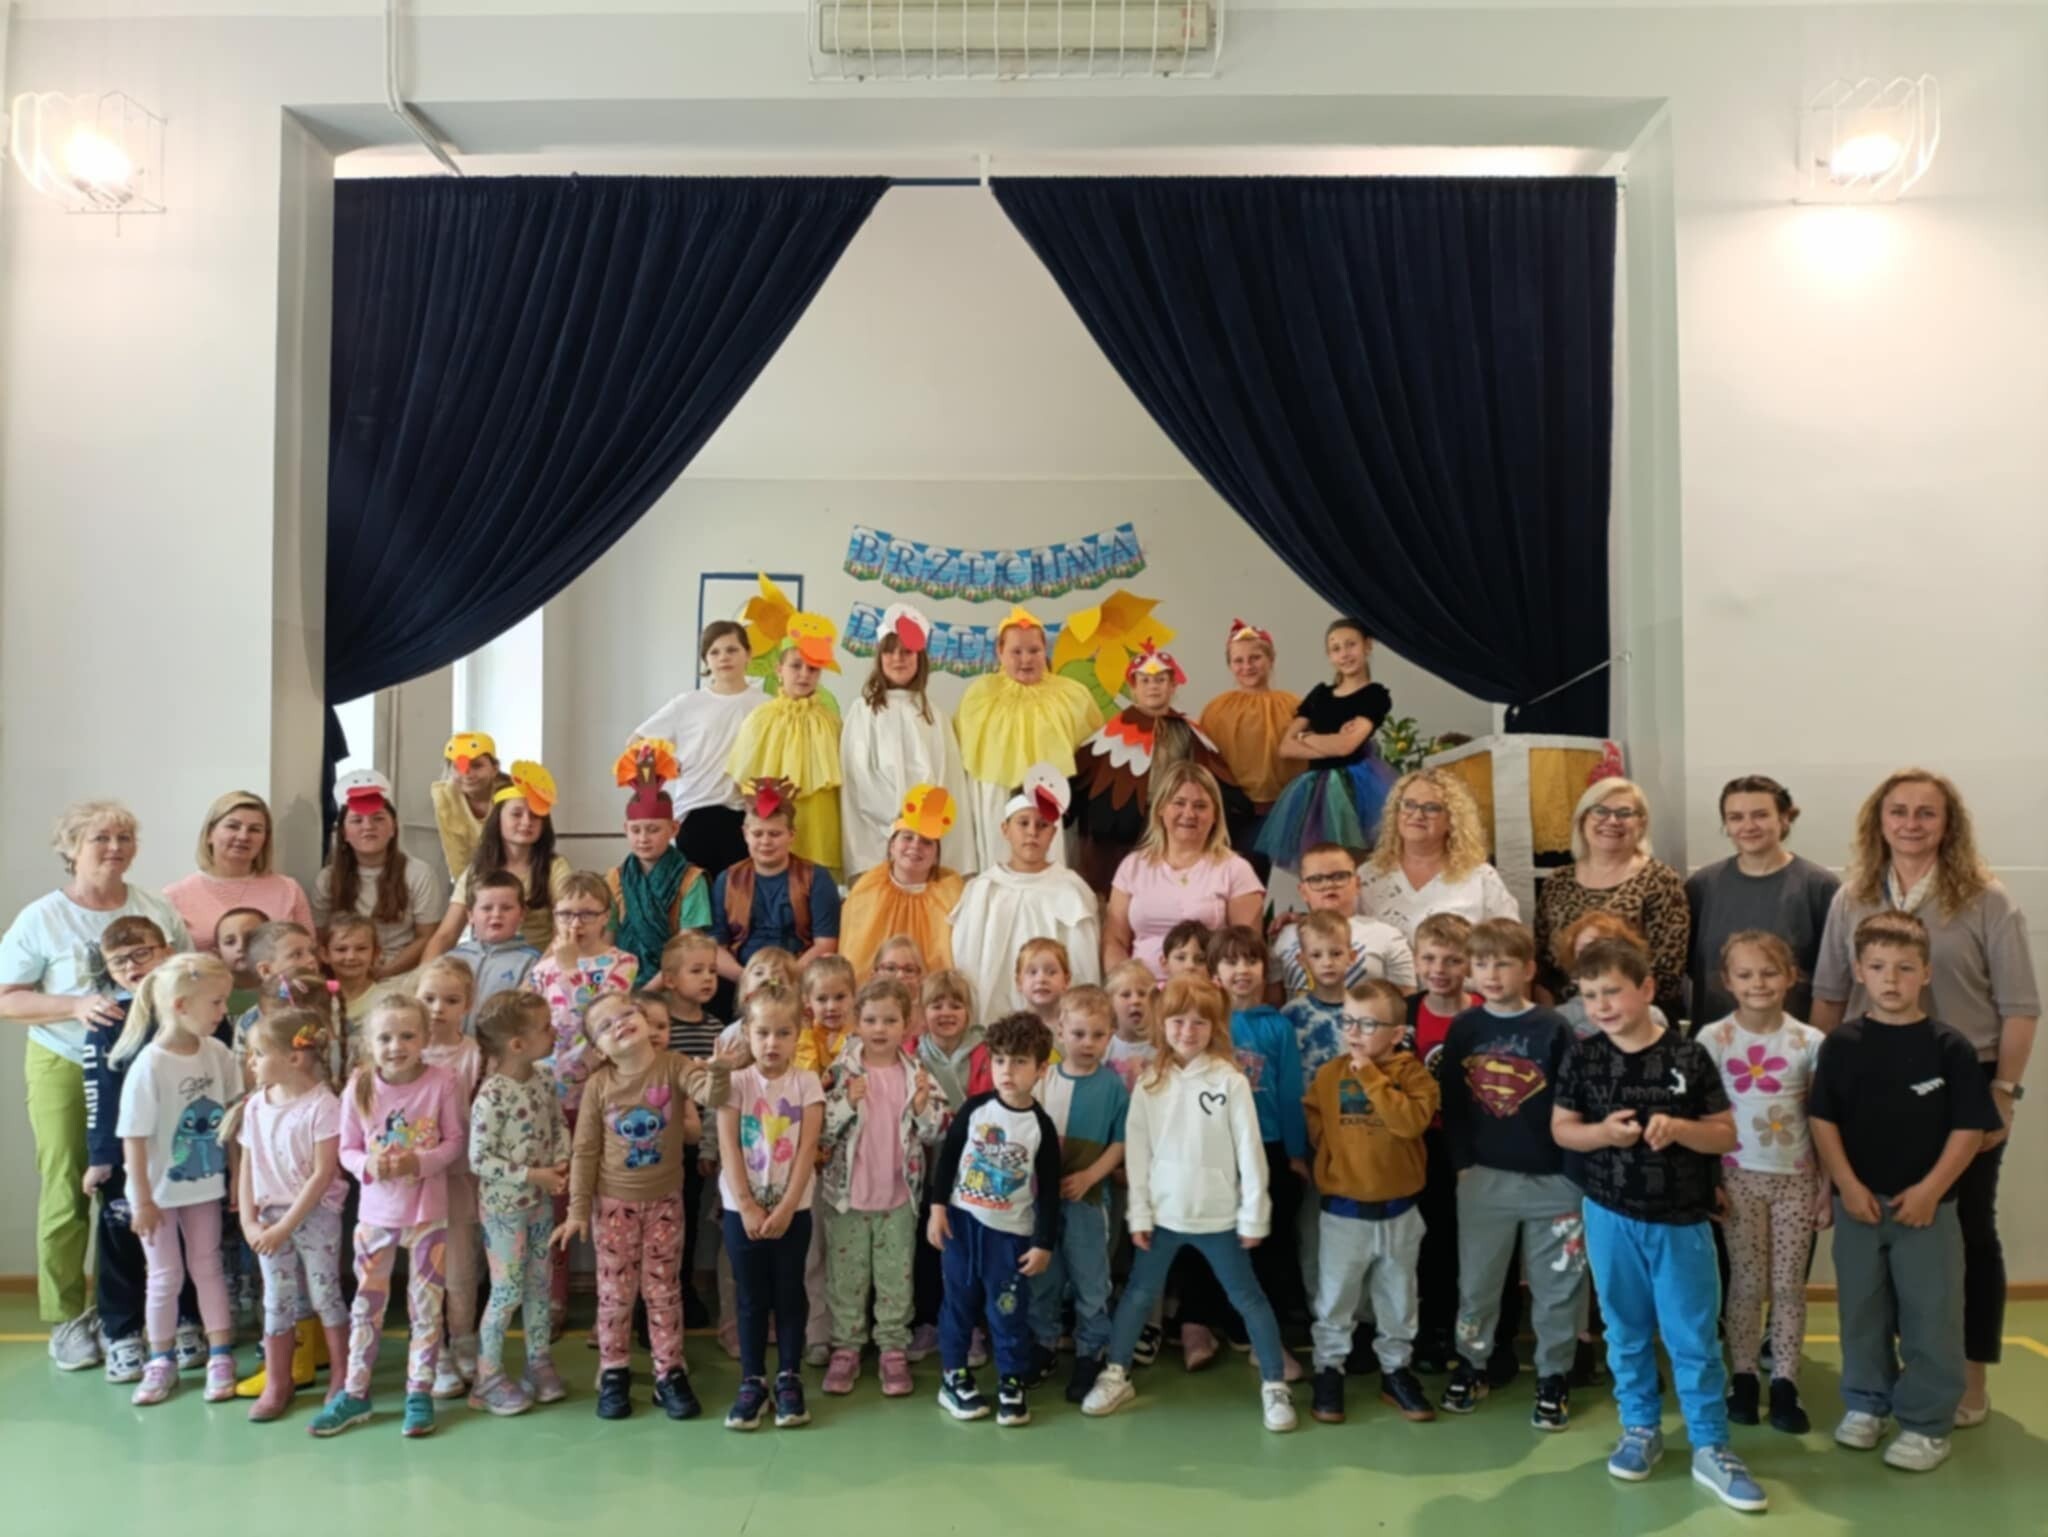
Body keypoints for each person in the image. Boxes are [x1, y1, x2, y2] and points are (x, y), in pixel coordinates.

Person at [1809, 767, 2037, 1428]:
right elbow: (1828, 997)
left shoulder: (1986, 898)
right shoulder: (1852, 896)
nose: (1911, 823)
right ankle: (1876, 1387)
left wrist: (2004, 1092)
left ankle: (1966, 1375)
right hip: (1870, 1083)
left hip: (1964, 1085)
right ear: (1878, 822)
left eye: (1926, 812)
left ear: (1948, 823)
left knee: (1967, 1228)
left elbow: (2020, 1006)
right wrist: (1816, 1089)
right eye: (1899, 811)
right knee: (1875, 1232)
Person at [1552, 937, 1764, 1512]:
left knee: (1692, 1335)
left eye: (1612, 991)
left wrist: (1681, 1129)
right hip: (1609, 1217)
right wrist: (1603, 1134)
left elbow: (1725, 1135)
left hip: (1680, 1222)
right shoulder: (1583, 1056)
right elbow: (1563, 1129)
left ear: (1646, 989)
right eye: (1590, 995)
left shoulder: (1689, 1057)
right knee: (1624, 1330)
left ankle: (1710, 1445)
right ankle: (1640, 1427)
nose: (1601, 1005)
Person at [0, 799, 192, 1370]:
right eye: (100, 838)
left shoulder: (154, 908)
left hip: (146, 1063)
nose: (114, 848)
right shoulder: (43, 917)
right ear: (71, 848)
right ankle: (66, 1318)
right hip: (64, 1061)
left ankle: (133, 1312)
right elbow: (7, 998)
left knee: (147, 1185)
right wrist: (75, 1005)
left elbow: (183, 976)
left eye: (123, 838)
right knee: (68, 1184)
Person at [1810, 911, 2004, 1474]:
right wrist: (1847, 1185)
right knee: (1861, 1312)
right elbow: (1823, 1120)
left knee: (1931, 1316)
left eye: (1904, 968)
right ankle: (1866, 1403)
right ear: (1858, 972)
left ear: (1926, 973)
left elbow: (1970, 1130)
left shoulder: (1950, 1048)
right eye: (1877, 967)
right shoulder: (1841, 1045)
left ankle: (1925, 1422)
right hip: (1859, 1208)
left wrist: (1930, 1191)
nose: (1890, 979)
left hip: (1928, 1213)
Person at [1081, 979, 1296, 1433]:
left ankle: (1275, 1384)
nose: (1188, 1030)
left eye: (1200, 1021)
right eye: (1178, 1020)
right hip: (1163, 1217)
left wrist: (1253, 1213)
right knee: (1138, 1296)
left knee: (1249, 1298)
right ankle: (1116, 1373)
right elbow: (1138, 1156)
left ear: (1215, 1027)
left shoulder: (1231, 1081)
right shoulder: (1149, 1083)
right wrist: (1139, 1213)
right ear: (1163, 1024)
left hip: (1220, 1218)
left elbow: (1250, 1152)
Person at [555, 994, 732, 1423]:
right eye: (606, 1025)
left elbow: (713, 1094)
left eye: (626, 1013)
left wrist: (720, 1068)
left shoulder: (673, 1066)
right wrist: (577, 1210)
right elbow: (584, 1151)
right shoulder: (599, 1085)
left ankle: (668, 1372)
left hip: (665, 1203)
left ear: (644, 1019)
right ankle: (613, 1370)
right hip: (614, 1207)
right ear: (599, 1049)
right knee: (616, 1294)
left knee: (663, 1290)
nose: (619, 1023)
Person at [1436, 918, 1585, 1426]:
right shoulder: (1465, 1028)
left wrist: (1572, 1174)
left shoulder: (1552, 1028)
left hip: (1553, 1182)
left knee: (1558, 1286)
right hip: (1484, 1180)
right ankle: (1472, 1363)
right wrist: (1462, 1164)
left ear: (1528, 969)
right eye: (1481, 964)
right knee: (1477, 1283)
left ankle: (1553, 1375)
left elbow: (1573, 1101)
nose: (1492, 974)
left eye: (1503, 964)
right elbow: (1453, 1104)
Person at [314, 993, 468, 1439]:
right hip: (376, 1216)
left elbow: (455, 1141)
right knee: (367, 1305)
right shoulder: (359, 1085)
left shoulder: (443, 1082)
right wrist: (368, 1165)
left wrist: (419, 1162)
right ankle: (355, 1392)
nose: (396, 1046)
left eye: (407, 1036)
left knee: (426, 1307)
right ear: (370, 1041)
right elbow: (347, 1149)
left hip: (427, 1214)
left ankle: (419, 1390)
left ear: (425, 1038)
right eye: (384, 1037)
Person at [1696, 930, 1827, 1435]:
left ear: (1791, 977)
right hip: (1738, 1178)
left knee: (1789, 1286)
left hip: (1796, 1180)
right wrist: (1709, 1180)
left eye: (1770, 973)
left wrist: (1826, 1186)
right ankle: (1745, 1377)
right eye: (1746, 974)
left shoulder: (1809, 1042)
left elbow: (1821, 1118)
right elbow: (1701, 1115)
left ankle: (1786, 1382)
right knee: (1747, 1283)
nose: (1759, 984)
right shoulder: (1713, 1039)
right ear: (1728, 981)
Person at [1304, 977, 1440, 1426]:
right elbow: (1314, 1116)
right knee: (1335, 1298)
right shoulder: (1329, 1075)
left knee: (1399, 1298)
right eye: (1348, 1021)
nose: (1354, 1032)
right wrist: (1331, 1156)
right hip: (1344, 1211)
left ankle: (1395, 1371)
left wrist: (1370, 1077)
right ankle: (1329, 1368)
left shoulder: (1414, 1076)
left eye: (1367, 1024)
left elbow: (1408, 1124)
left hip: (1400, 1211)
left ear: (1397, 1034)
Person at [110, 952, 242, 1406]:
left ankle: (220, 1355)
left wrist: (236, 1178)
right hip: (158, 1195)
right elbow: (133, 1139)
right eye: (216, 1002)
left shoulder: (219, 1054)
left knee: (208, 1267)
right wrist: (142, 1201)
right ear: (181, 1005)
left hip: (204, 1187)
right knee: (165, 1276)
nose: (223, 1011)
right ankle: (160, 1360)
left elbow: (232, 1123)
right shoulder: (150, 1065)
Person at [81, 917, 209, 1388]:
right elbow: (99, 1094)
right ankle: (122, 1330)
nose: (132, 966)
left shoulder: (198, 1015)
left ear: (166, 952)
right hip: (128, 1157)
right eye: (119, 961)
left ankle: (187, 1319)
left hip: (186, 1156)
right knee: (122, 1238)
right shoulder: (109, 1024)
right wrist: (101, 1156)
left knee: (190, 1241)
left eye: (142, 953)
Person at [928, 1011, 1063, 1427]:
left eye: (1020, 1062)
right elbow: (948, 1159)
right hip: (962, 1226)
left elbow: (1050, 1191)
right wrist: (937, 1208)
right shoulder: (976, 1109)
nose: (1007, 1070)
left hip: (1009, 1237)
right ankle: (954, 1376)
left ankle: (1011, 1381)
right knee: (958, 1306)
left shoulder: (1040, 1127)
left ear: (1041, 1069)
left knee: (1007, 1311)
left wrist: (1043, 1243)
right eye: (1000, 1060)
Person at [817, 977, 946, 1398]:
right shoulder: (840, 1072)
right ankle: (847, 1347)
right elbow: (819, 1131)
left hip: (899, 1199)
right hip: (847, 1199)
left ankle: (892, 1346)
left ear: (906, 1025)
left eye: (890, 1020)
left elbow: (936, 1131)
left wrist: (923, 1109)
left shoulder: (918, 1075)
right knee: (846, 1278)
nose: (880, 1028)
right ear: (857, 1022)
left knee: (895, 1277)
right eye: (871, 1019)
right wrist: (846, 1103)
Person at [719, 983, 826, 1432]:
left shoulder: (807, 1084)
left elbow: (806, 1151)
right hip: (741, 1211)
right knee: (750, 1296)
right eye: (762, 1032)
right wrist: (746, 1205)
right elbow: (728, 1146)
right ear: (747, 1033)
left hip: (791, 1210)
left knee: (788, 1293)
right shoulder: (736, 1083)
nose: (772, 1043)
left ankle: (788, 1377)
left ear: (798, 1035)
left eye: (783, 1033)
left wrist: (785, 1208)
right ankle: (752, 1380)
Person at [230, 1009, 346, 1424]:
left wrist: (284, 1226)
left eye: (259, 1053)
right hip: (270, 1218)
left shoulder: (323, 1105)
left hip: (314, 1215)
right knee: (276, 1299)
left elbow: (322, 1174)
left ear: (294, 1058)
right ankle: (278, 1382)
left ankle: (343, 1377)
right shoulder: (255, 1106)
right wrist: (249, 1221)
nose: (251, 1062)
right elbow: (247, 1165)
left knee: (324, 1293)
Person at [1070, 642, 1256, 896]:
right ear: (1134, 687)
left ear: (1173, 686)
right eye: (1145, 681)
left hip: (1176, 825)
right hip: (1128, 831)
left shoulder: (1187, 731)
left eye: (1160, 680)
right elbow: (1081, 775)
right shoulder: (1111, 734)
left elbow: (1211, 776)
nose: (1153, 686)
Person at [467, 990, 571, 1417]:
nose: (554, 1032)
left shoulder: (543, 1078)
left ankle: (538, 1361)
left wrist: (561, 1158)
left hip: (540, 1204)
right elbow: (479, 1159)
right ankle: (487, 1378)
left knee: (539, 1284)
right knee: (507, 1290)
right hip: (504, 1210)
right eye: (545, 1027)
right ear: (516, 1043)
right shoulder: (492, 1096)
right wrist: (533, 1175)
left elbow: (557, 1124)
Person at [1209, 925, 1309, 1357]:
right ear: (1214, 974)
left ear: (1265, 970)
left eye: (1251, 961)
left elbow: (1289, 1092)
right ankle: (1231, 1320)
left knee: (1272, 1235)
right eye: (1230, 962)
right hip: (1221, 1148)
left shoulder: (1278, 1025)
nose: (1242, 970)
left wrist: (1296, 1152)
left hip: (1269, 1146)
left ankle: (1275, 1319)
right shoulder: (1209, 1024)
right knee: (1228, 1236)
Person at [1028, 986, 1129, 1404]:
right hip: (1044, 1202)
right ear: (1060, 1031)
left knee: (1091, 1279)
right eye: (1079, 1033)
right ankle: (1043, 1344)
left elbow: (1120, 1143)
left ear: (1110, 1036)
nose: (1088, 1043)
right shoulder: (1044, 1080)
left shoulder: (1113, 1086)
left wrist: (1090, 1176)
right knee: (1043, 1276)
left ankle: (1091, 1351)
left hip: (1088, 1201)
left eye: (1098, 1035)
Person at [954, 605, 1104, 871]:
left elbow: (1092, 757)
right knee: (1000, 864)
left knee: (1051, 866)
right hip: (996, 795)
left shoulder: (1072, 695)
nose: (1026, 659)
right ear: (1000, 652)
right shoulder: (980, 695)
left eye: (1034, 650)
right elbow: (963, 757)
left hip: (1051, 799)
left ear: (1045, 650)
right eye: (1016, 651)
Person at [1684, 775, 1840, 1026]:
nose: (1748, 826)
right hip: (1716, 1037)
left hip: (1792, 1040)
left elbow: (1834, 977)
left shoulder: (1819, 887)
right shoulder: (1701, 886)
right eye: (1736, 817)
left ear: (1784, 818)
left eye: (1760, 815)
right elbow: (1692, 967)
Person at [1533, 776, 1690, 1025]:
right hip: (1565, 1017)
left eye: (1625, 813)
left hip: (1636, 1017)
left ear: (1641, 823)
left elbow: (1667, 969)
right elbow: (1541, 957)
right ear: (1583, 819)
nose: (1612, 821)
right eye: (1600, 811)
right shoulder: (1557, 881)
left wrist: (1608, 1006)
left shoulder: (1660, 879)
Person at [949, 767, 1101, 1018]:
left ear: (1053, 833)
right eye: (1023, 823)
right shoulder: (983, 890)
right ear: (1005, 829)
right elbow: (966, 959)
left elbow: (1086, 965)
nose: (1032, 832)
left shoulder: (1071, 889)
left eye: (1042, 825)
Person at [840, 602, 976, 878]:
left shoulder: (935, 716)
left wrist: (921, 823)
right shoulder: (863, 711)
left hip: (924, 838)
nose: (898, 659)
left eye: (906, 651)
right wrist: (896, 823)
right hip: (875, 835)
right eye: (889, 651)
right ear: (879, 657)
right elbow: (858, 778)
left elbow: (947, 780)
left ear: (920, 658)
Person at [1256, 616, 1398, 873]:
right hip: (1315, 790)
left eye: (1351, 644)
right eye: (1336, 648)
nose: (1344, 654)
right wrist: (1329, 742)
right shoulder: (1320, 695)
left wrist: (1306, 738)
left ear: (1367, 646)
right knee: (1318, 862)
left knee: (1356, 862)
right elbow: (1286, 747)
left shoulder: (1374, 696)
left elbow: (1346, 747)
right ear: (1329, 656)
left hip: (1357, 788)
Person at [1104, 761, 1265, 981]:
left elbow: (1246, 949)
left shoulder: (1236, 869)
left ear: (1215, 814)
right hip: (1142, 993)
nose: (1189, 814)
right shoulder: (1132, 866)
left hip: (1207, 992)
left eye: (1200, 806)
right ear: (1160, 808)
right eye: (1179, 803)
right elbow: (1114, 940)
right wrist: (1128, 987)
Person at [634, 620, 767, 880]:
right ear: (705, 660)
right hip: (694, 812)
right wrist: (663, 769)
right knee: (696, 895)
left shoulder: (765, 706)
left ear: (748, 654)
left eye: (732, 650)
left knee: (737, 897)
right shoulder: (687, 704)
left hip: (743, 814)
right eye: (714, 652)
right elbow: (637, 741)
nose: (723, 657)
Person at [725, 617, 845, 881]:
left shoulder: (831, 721)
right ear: (779, 669)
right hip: (772, 826)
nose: (804, 674)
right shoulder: (761, 718)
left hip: (820, 824)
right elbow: (744, 781)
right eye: (796, 666)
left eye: (813, 668)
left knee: (816, 886)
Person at [1408, 912, 1474, 1371]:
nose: (1439, 969)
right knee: (1430, 1237)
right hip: (1422, 1144)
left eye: (1452, 960)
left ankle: (1473, 1330)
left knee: (1471, 1239)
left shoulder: (1484, 1012)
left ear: (1469, 963)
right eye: (1429, 958)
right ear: (1415, 961)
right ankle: (1432, 1328)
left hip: (1475, 1146)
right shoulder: (1406, 1013)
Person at [415, 957, 483, 1402]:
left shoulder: (474, 1053)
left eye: (451, 1000)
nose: (438, 1008)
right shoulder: (407, 1050)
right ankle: (433, 1349)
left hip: (459, 1174)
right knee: (425, 1269)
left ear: (467, 1005)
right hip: (417, 1182)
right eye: (429, 998)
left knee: (460, 1267)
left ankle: (463, 1341)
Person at [425, 761, 572, 961]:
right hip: (484, 962)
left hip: (537, 964)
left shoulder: (555, 868)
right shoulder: (476, 870)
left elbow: (563, 933)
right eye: (516, 814)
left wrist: (536, 974)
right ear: (498, 819)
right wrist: (424, 974)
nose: (526, 822)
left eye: (535, 816)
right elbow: (445, 935)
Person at [1358, 770, 1519, 942]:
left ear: (1452, 820)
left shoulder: (1481, 877)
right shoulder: (1368, 876)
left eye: (1431, 808)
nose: (1417, 815)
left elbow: (1512, 944)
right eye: (1409, 805)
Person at [1196, 618, 1305, 865]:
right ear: (1230, 665)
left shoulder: (1293, 705)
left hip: (1280, 809)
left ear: (1271, 659)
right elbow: (1204, 760)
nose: (1247, 666)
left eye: (1255, 658)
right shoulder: (1216, 709)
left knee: (1265, 872)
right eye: (1238, 660)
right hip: (1231, 810)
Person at [312, 771, 442, 979]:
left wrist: (383, 973)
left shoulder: (419, 874)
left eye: (378, 818)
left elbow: (426, 937)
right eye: (357, 820)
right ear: (344, 833)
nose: (368, 827)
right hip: (344, 973)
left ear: (393, 828)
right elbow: (320, 937)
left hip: (400, 975)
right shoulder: (327, 879)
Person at [711, 778, 842, 981]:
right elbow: (716, 946)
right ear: (745, 834)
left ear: (791, 835)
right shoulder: (727, 880)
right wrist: (749, 980)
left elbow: (826, 943)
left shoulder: (816, 877)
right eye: (758, 834)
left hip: (800, 979)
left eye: (774, 834)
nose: (765, 842)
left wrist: (784, 979)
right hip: (742, 979)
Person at [607, 737, 713, 980]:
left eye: (653, 830)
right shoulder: (616, 878)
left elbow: (687, 946)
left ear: (674, 829)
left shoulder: (691, 879)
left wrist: (651, 988)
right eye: (636, 830)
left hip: (674, 980)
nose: (643, 838)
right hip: (623, 978)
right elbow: (608, 940)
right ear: (625, 830)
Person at [838, 784, 965, 981]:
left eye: (926, 842)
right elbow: (855, 958)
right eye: (907, 837)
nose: (915, 846)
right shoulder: (867, 890)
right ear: (892, 846)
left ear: (936, 855)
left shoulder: (952, 894)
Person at [163, 790, 315, 952]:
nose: (243, 836)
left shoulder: (289, 889)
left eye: (255, 829)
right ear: (209, 834)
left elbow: (310, 952)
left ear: (265, 839)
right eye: (233, 826)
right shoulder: (174, 897)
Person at [1273, 842, 1418, 996]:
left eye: (1339, 876)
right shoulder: (1285, 935)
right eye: (1316, 879)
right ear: (1303, 891)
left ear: (1357, 884)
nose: (1329, 884)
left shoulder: (1387, 936)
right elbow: (1273, 1001)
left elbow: (1406, 1001)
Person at [447, 870, 541, 1025]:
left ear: (522, 914)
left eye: (506, 908)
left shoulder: (532, 962)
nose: (496, 914)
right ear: (470, 915)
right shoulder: (452, 959)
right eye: (487, 908)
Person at [429, 732, 501, 883]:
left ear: (495, 768)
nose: (468, 774)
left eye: (477, 766)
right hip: (475, 880)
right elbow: (456, 858)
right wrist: (466, 890)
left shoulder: (510, 796)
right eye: (458, 767)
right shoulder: (446, 798)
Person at [1103, 960, 1157, 1093]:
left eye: (1142, 994)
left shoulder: (1163, 1046)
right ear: (1110, 1002)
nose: (1135, 1000)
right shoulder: (1104, 1046)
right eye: (1126, 995)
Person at [1016, 937, 1073, 1036]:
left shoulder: (1075, 1025)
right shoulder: (1012, 1029)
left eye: (1051, 972)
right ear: (1019, 982)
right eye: (1033, 972)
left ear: (1066, 981)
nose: (1041, 979)